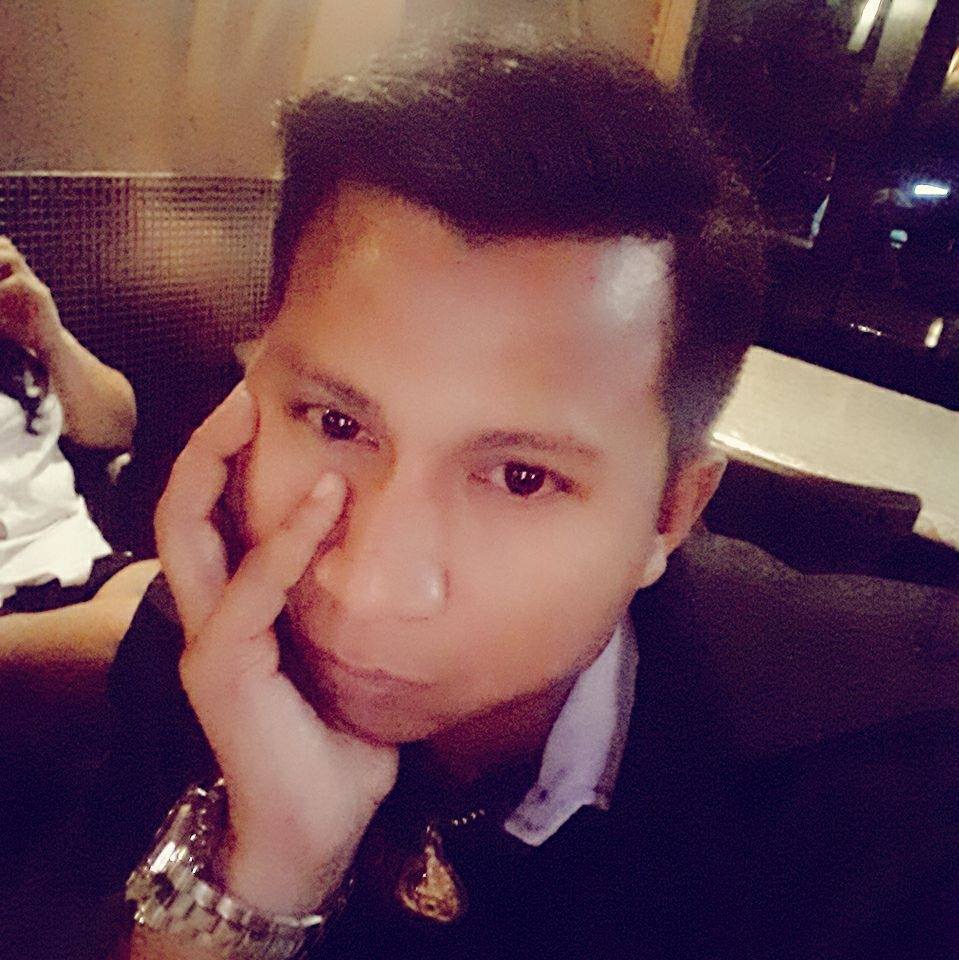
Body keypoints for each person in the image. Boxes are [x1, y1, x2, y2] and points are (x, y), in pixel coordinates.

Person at [99, 40, 957, 960]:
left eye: (521, 477)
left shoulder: (887, 804)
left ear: (669, 514)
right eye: (337, 423)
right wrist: (263, 870)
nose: (369, 586)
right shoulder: (211, 655)